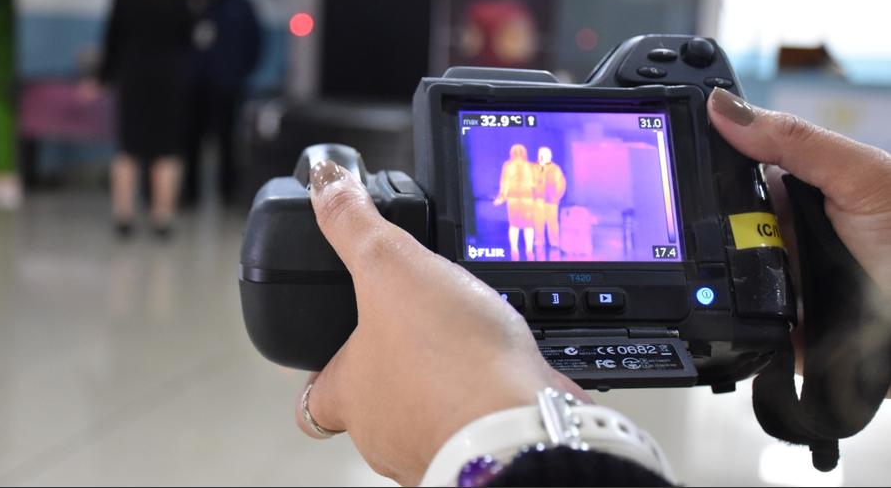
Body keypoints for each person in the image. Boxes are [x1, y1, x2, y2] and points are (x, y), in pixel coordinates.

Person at [293, 87, 891, 486]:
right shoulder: (517, 166)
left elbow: (552, 190)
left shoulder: (548, 169)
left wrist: (488, 434)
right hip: (522, 218)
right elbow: (506, 189)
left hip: (545, 216)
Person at [85, 0, 192, 238]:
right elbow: (187, 43)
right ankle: (162, 218)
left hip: (132, 78)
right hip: (168, 81)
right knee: (165, 151)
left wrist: (102, 77)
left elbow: (112, 39)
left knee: (128, 149)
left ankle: (124, 216)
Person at [181, 0, 263, 206]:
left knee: (227, 141)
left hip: (227, 84)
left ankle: (227, 193)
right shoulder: (194, 0)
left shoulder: (241, 4)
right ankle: (190, 192)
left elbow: (254, 42)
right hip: (196, 83)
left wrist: (239, 73)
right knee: (191, 139)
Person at [493, 144, 537, 261]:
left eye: (520, 152)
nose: (518, 154)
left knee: (527, 225)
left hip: (526, 199)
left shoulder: (530, 166)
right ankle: (515, 249)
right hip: (515, 199)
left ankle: (528, 250)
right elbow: (505, 182)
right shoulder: (509, 166)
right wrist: (502, 196)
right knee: (515, 225)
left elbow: (535, 183)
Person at [532, 147, 567, 252]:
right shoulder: (534, 168)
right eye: (541, 154)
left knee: (552, 223)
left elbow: (561, 184)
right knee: (538, 222)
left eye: (546, 154)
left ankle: (554, 242)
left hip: (551, 201)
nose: (544, 156)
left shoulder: (555, 169)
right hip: (538, 200)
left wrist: (556, 196)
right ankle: (539, 241)